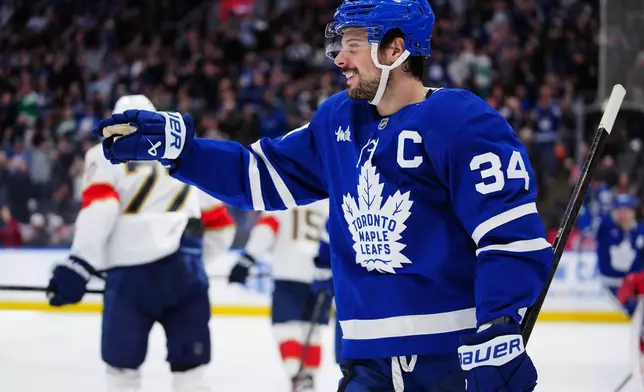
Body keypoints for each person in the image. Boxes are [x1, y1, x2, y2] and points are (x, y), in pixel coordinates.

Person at [94, 0, 554, 390]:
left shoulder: (462, 120)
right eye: (340, 44)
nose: (339, 58)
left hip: (449, 362)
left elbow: (509, 235)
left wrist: (497, 327)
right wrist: (182, 151)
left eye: (354, 44)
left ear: (396, 49)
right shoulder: (337, 121)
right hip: (363, 365)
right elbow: (258, 176)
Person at [47, 95, 235, 392]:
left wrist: (81, 263)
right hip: (186, 274)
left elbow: (101, 211)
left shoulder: (102, 154)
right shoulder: (184, 151)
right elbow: (222, 224)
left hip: (129, 279)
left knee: (122, 372)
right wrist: (196, 261)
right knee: (190, 373)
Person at [228, 200, 333, 392]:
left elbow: (266, 230)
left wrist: (247, 259)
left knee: (286, 328)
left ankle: (296, 375)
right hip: (322, 274)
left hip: (289, 272)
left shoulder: (284, 201)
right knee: (314, 330)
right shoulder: (327, 203)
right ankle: (308, 377)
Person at [597, 193, 644, 316]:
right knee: (632, 310)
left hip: (635, 284)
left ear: (633, 211)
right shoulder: (605, 226)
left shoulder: (640, 230)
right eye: (619, 210)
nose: (623, 214)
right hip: (611, 284)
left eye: (627, 210)